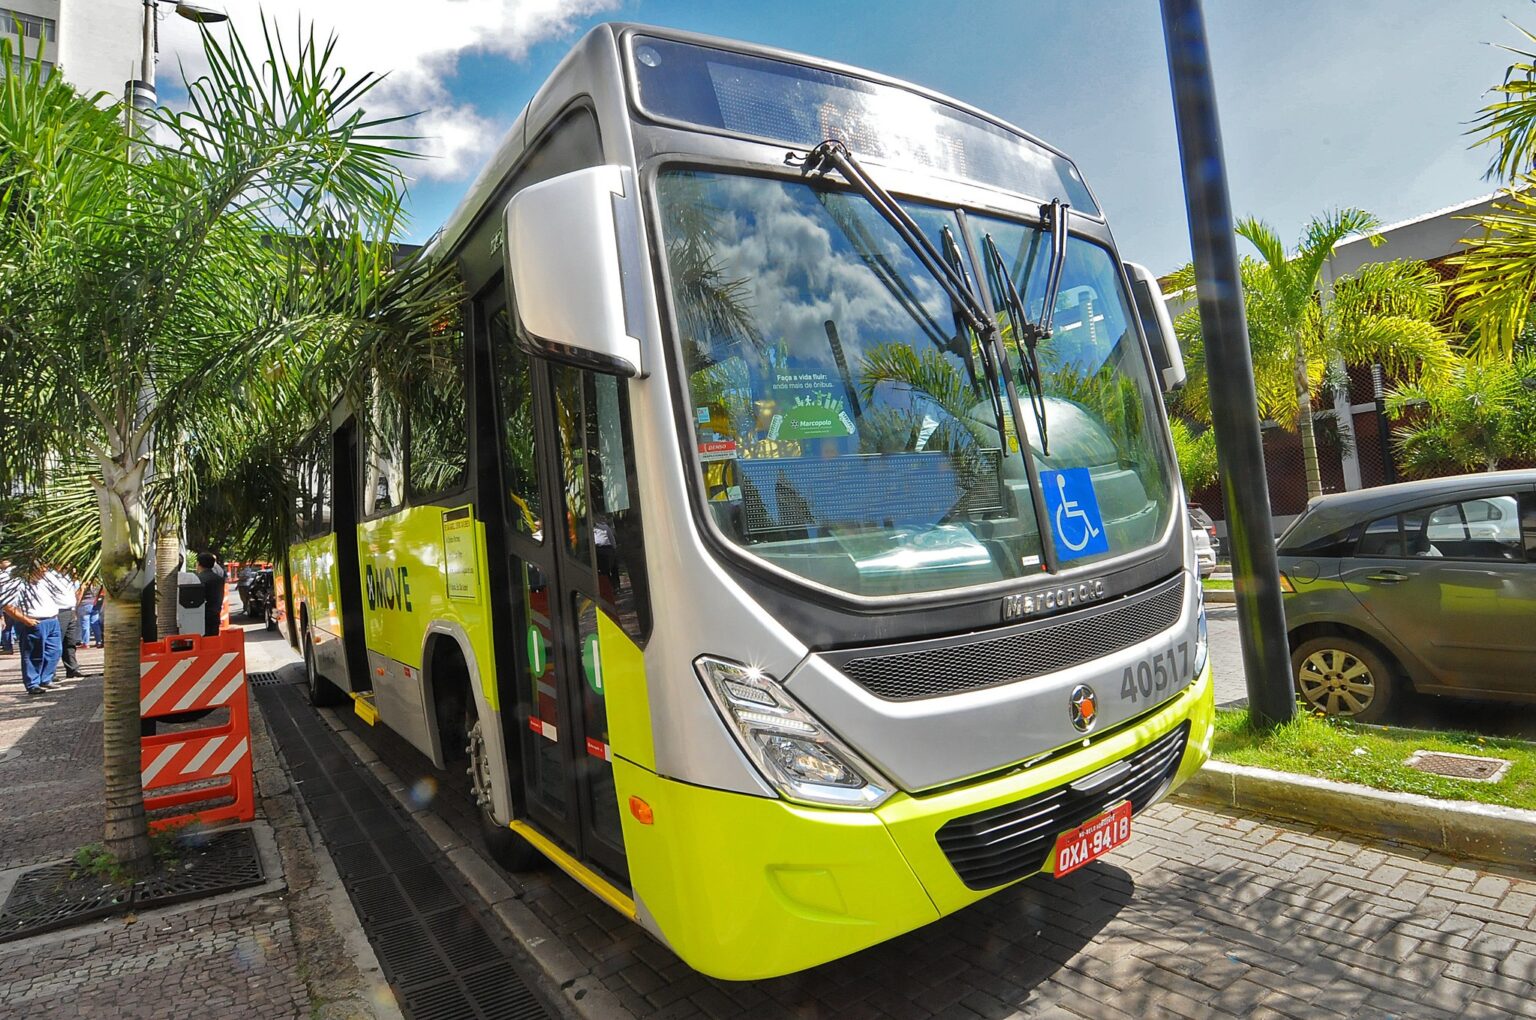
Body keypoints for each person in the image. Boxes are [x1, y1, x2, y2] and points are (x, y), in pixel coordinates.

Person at [1, 565, 63, 694]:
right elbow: (7, 605)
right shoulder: (17, 583)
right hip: (34, 621)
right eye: (41, 571)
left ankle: (46, 678)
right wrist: (25, 620)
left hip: (52, 620)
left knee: (55, 651)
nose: (44, 573)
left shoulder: (45, 581)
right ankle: (32, 683)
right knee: (33, 654)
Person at [43, 567, 84, 678]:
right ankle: (50, 673)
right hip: (59, 611)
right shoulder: (50, 576)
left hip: (70, 610)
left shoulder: (67, 576)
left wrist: (74, 609)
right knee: (56, 644)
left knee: (70, 642)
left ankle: (72, 668)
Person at [195, 552, 224, 636]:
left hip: (202, 616)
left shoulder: (198, 578)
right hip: (215, 614)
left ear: (198, 564)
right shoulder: (219, 579)